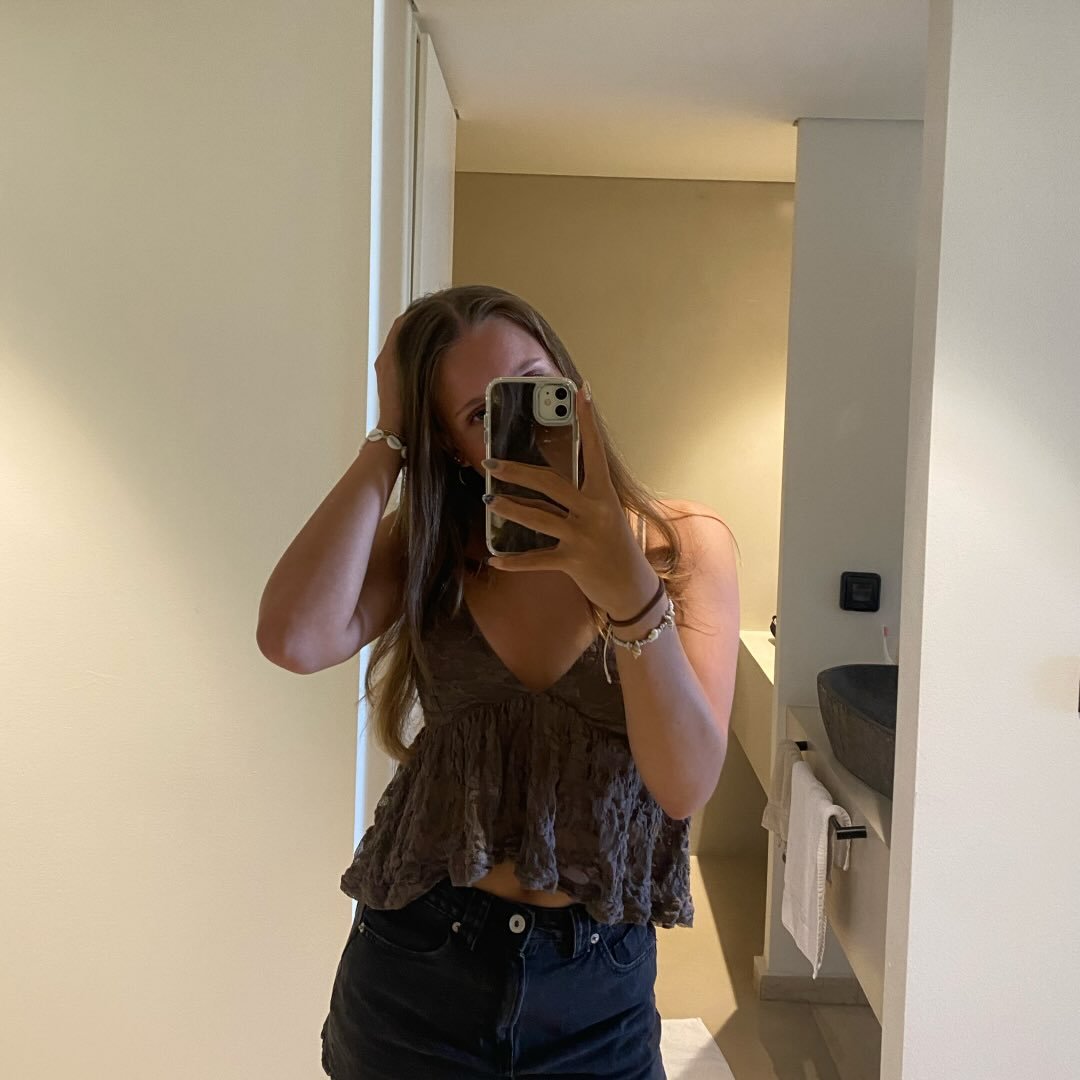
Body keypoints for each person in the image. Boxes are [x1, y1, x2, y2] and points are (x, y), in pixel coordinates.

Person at [256, 285, 740, 1079]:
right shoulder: (431, 549)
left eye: (534, 385)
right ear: (452, 446)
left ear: (573, 388)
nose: (523, 421)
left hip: (597, 988)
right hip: (419, 967)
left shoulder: (681, 545)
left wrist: (629, 591)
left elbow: (683, 784)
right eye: (483, 414)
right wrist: (390, 435)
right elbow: (293, 638)